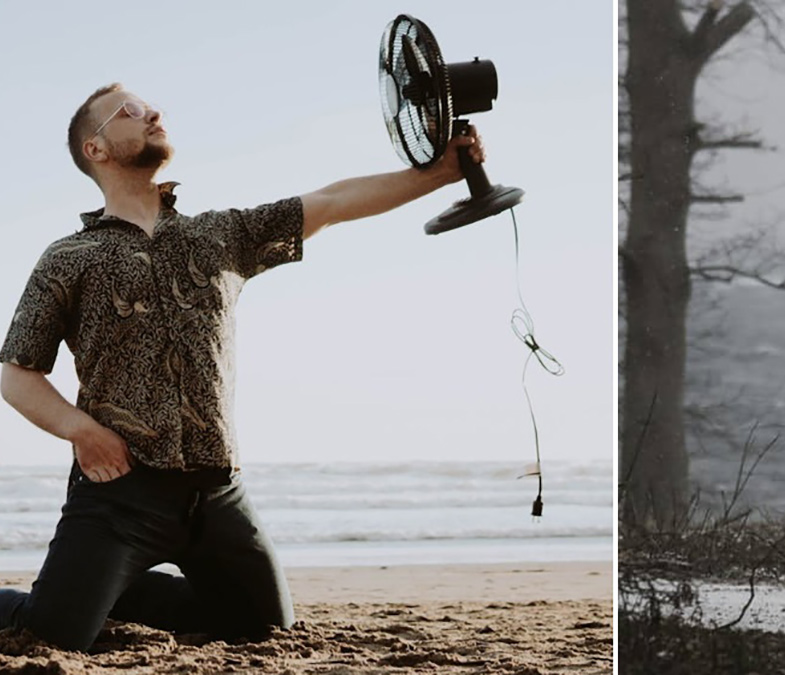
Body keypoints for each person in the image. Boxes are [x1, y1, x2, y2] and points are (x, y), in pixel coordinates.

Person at [0, 83, 485, 651]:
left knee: (263, 628)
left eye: (153, 105)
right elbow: (16, 373)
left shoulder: (221, 234)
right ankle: (69, 591)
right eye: (130, 111)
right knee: (53, 635)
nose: (154, 112)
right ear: (95, 149)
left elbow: (331, 202)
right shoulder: (68, 258)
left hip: (218, 493)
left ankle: (112, 589)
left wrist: (440, 174)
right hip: (119, 496)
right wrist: (82, 432)